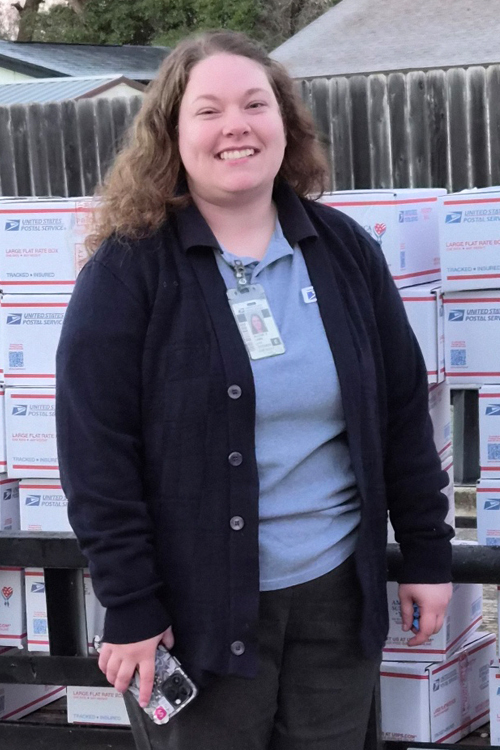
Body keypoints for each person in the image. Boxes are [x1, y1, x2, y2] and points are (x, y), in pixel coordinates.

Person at [56, 30, 453, 750]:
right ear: (172, 135)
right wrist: (131, 603)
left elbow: (400, 411)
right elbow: (96, 453)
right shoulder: (128, 272)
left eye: (254, 104)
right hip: (194, 614)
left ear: (285, 123)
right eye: (207, 111)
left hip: (337, 601)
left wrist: (427, 554)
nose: (235, 126)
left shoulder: (343, 252)